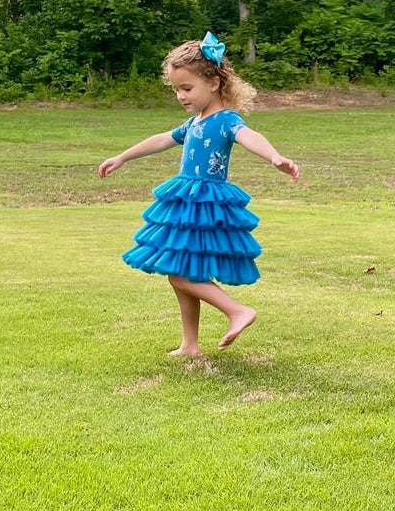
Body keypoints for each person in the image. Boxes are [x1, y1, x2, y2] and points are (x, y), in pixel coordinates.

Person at [98, 32, 299, 355]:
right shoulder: (194, 122)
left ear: (214, 84)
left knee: (179, 274)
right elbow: (161, 138)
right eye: (177, 89)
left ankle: (237, 310)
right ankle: (190, 344)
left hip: (204, 204)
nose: (181, 96)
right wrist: (122, 157)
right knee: (184, 270)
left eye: (187, 88)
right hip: (185, 201)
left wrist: (275, 157)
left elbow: (250, 135)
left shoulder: (225, 120)